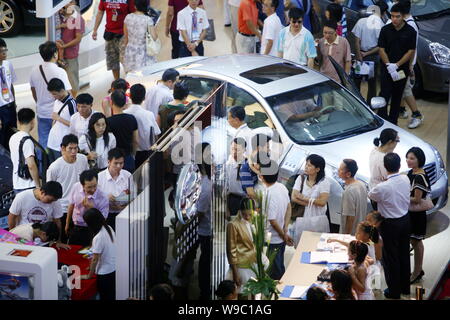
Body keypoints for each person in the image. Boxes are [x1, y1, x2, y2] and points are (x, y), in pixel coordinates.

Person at [368, 152, 411, 299]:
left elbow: (371, 195)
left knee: (390, 257)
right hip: (405, 220)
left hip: (390, 224)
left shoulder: (382, 187)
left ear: (385, 167)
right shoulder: (405, 178)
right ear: (399, 165)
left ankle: (394, 291)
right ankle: (405, 287)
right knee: (404, 253)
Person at [377, 3, 416, 125]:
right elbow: (381, 49)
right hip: (386, 69)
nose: (394, 19)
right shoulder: (385, 29)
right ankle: (382, 119)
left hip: (401, 70)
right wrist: (389, 65)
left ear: (403, 16)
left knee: (397, 95)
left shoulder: (410, 31)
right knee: (384, 94)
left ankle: (393, 122)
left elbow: (411, 51)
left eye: (397, 16)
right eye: (392, 16)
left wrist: (397, 65)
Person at [29, 41, 72, 153]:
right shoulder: (60, 71)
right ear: (55, 54)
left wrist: (40, 103)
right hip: (58, 114)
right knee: (60, 143)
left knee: (43, 142)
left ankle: (43, 167)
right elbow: (68, 93)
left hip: (42, 112)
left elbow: (33, 91)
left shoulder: (34, 70)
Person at [47, 134, 89, 242]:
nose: (74, 152)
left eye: (76, 148)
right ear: (63, 148)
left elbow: (86, 180)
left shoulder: (83, 159)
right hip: (63, 208)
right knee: (63, 238)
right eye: (70, 148)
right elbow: (50, 190)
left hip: (80, 207)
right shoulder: (54, 167)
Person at [260, 160, 293, 280]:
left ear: (261, 176)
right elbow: (289, 207)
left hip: (273, 239)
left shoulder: (268, 194)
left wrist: (283, 234)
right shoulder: (282, 187)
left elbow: (272, 221)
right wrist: (285, 229)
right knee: (279, 266)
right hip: (281, 235)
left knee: (274, 271)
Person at [395, 0, 424, 129]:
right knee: (401, 87)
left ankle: (417, 114)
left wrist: (410, 66)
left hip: (405, 63)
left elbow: (411, 49)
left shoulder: (410, 26)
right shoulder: (407, 23)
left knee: (406, 89)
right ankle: (401, 109)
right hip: (403, 62)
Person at [291, 154, 330, 244]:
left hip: (317, 220)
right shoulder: (300, 179)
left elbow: (322, 202)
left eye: (309, 165)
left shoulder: (324, 182)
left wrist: (303, 197)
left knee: (314, 245)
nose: (306, 167)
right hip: (302, 218)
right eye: (306, 164)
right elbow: (294, 197)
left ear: (317, 169)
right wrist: (311, 203)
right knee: (301, 245)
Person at [352, 1, 386, 103]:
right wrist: (366, 54)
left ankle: (357, 103)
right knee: (372, 83)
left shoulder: (361, 21)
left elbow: (356, 41)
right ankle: (371, 105)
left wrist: (359, 55)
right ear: (383, 13)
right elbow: (380, 46)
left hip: (360, 56)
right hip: (373, 57)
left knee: (356, 82)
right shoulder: (381, 25)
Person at [92, 0, 135, 80]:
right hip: (109, 33)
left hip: (124, 33)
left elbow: (133, 14)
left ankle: (130, 81)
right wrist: (95, 30)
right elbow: (100, 12)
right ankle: (117, 83)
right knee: (112, 60)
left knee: (126, 60)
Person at [66, 170, 109, 247]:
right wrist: (67, 224)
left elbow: (103, 219)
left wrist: (92, 209)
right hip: (77, 226)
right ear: (82, 185)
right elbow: (71, 205)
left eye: (95, 186)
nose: (92, 189)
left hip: (93, 229)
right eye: (89, 187)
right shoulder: (75, 187)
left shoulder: (103, 196)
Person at [80, 208, 116, 300]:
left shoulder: (99, 237)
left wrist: (89, 275)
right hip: (113, 267)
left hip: (105, 273)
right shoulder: (109, 228)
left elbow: (95, 259)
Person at [406, 147, 430, 284]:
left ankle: (417, 272)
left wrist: (402, 196)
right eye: (408, 158)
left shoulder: (419, 177)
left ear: (419, 160)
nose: (408, 161)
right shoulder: (412, 172)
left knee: (416, 242)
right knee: (414, 242)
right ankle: (417, 270)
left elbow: (417, 199)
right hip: (411, 214)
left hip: (417, 215)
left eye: (412, 158)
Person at [124, 83, 160, 169]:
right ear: (144, 98)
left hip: (128, 153)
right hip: (145, 153)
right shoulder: (148, 114)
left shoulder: (125, 113)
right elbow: (156, 133)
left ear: (130, 96)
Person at [226, 198, 258, 294]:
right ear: (240, 211)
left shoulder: (255, 220)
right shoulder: (233, 225)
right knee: (243, 294)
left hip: (254, 263)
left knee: (254, 292)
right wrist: (235, 273)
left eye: (250, 214)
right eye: (244, 214)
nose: (247, 217)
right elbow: (231, 250)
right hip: (241, 266)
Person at [98, 148, 132, 230]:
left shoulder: (127, 175)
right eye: (116, 163)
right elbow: (95, 199)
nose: (119, 166)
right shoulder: (99, 177)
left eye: (121, 163)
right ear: (109, 162)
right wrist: (107, 199)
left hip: (124, 214)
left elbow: (132, 196)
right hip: (106, 216)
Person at [56, 2, 85, 97]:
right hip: (56, 56)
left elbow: (78, 39)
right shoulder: (59, 15)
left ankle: (73, 100)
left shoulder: (78, 19)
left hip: (70, 55)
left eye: (70, 1)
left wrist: (64, 47)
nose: (68, 3)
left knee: (72, 80)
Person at [195, 142, 212, 300]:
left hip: (206, 229)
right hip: (207, 227)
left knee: (205, 262)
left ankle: (205, 291)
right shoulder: (205, 180)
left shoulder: (206, 185)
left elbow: (200, 212)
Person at [46, 78, 77, 163]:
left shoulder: (72, 104)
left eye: (55, 94)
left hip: (62, 145)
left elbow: (75, 125)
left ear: (62, 90)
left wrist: (59, 118)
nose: (53, 96)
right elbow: (54, 120)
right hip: (52, 141)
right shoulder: (56, 102)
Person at [9, 108, 40, 192]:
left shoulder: (13, 138)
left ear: (18, 122)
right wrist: (37, 185)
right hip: (28, 185)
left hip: (16, 183)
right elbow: (31, 165)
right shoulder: (27, 141)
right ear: (33, 121)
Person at [107, 90, 138, 173]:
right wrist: (133, 155)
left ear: (111, 103)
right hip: (128, 157)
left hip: (114, 159)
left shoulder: (108, 121)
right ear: (125, 103)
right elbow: (135, 140)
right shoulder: (131, 118)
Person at [123, 0, 158, 74]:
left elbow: (126, 38)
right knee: (145, 75)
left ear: (135, 6)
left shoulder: (128, 17)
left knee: (132, 75)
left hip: (130, 50)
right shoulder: (148, 20)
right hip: (144, 52)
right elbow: (154, 37)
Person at [337, 159, 367, 235]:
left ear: (348, 174)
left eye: (340, 169)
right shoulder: (361, 184)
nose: (338, 170)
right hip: (360, 230)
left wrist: (346, 236)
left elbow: (350, 218)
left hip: (352, 233)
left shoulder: (349, 191)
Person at [316, 19, 351, 83]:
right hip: (323, 77)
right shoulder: (321, 42)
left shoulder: (343, 42)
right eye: (325, 32)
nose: (327, 35)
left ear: (336, 31)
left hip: (338, 79)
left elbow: (348, 61)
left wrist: (345, 78)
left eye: (330, 33)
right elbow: (319, 60)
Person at [0, 38, 17, 151]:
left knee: (13, 132)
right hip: (1, 108)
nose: (4, 53)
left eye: (5, 50)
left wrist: (14, 102)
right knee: (2, 136)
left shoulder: (8, 64)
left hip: (10, 104)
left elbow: (11, 85)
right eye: (1, 51)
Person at [226, 138, 248, 217]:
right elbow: (225, 190)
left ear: (244, 150)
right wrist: (226, 209)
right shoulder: (228, 166)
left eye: (237, 150)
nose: (234, 152)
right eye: (232, 149)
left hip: (246, 200)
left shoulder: (249, 165)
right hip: (233, 201)